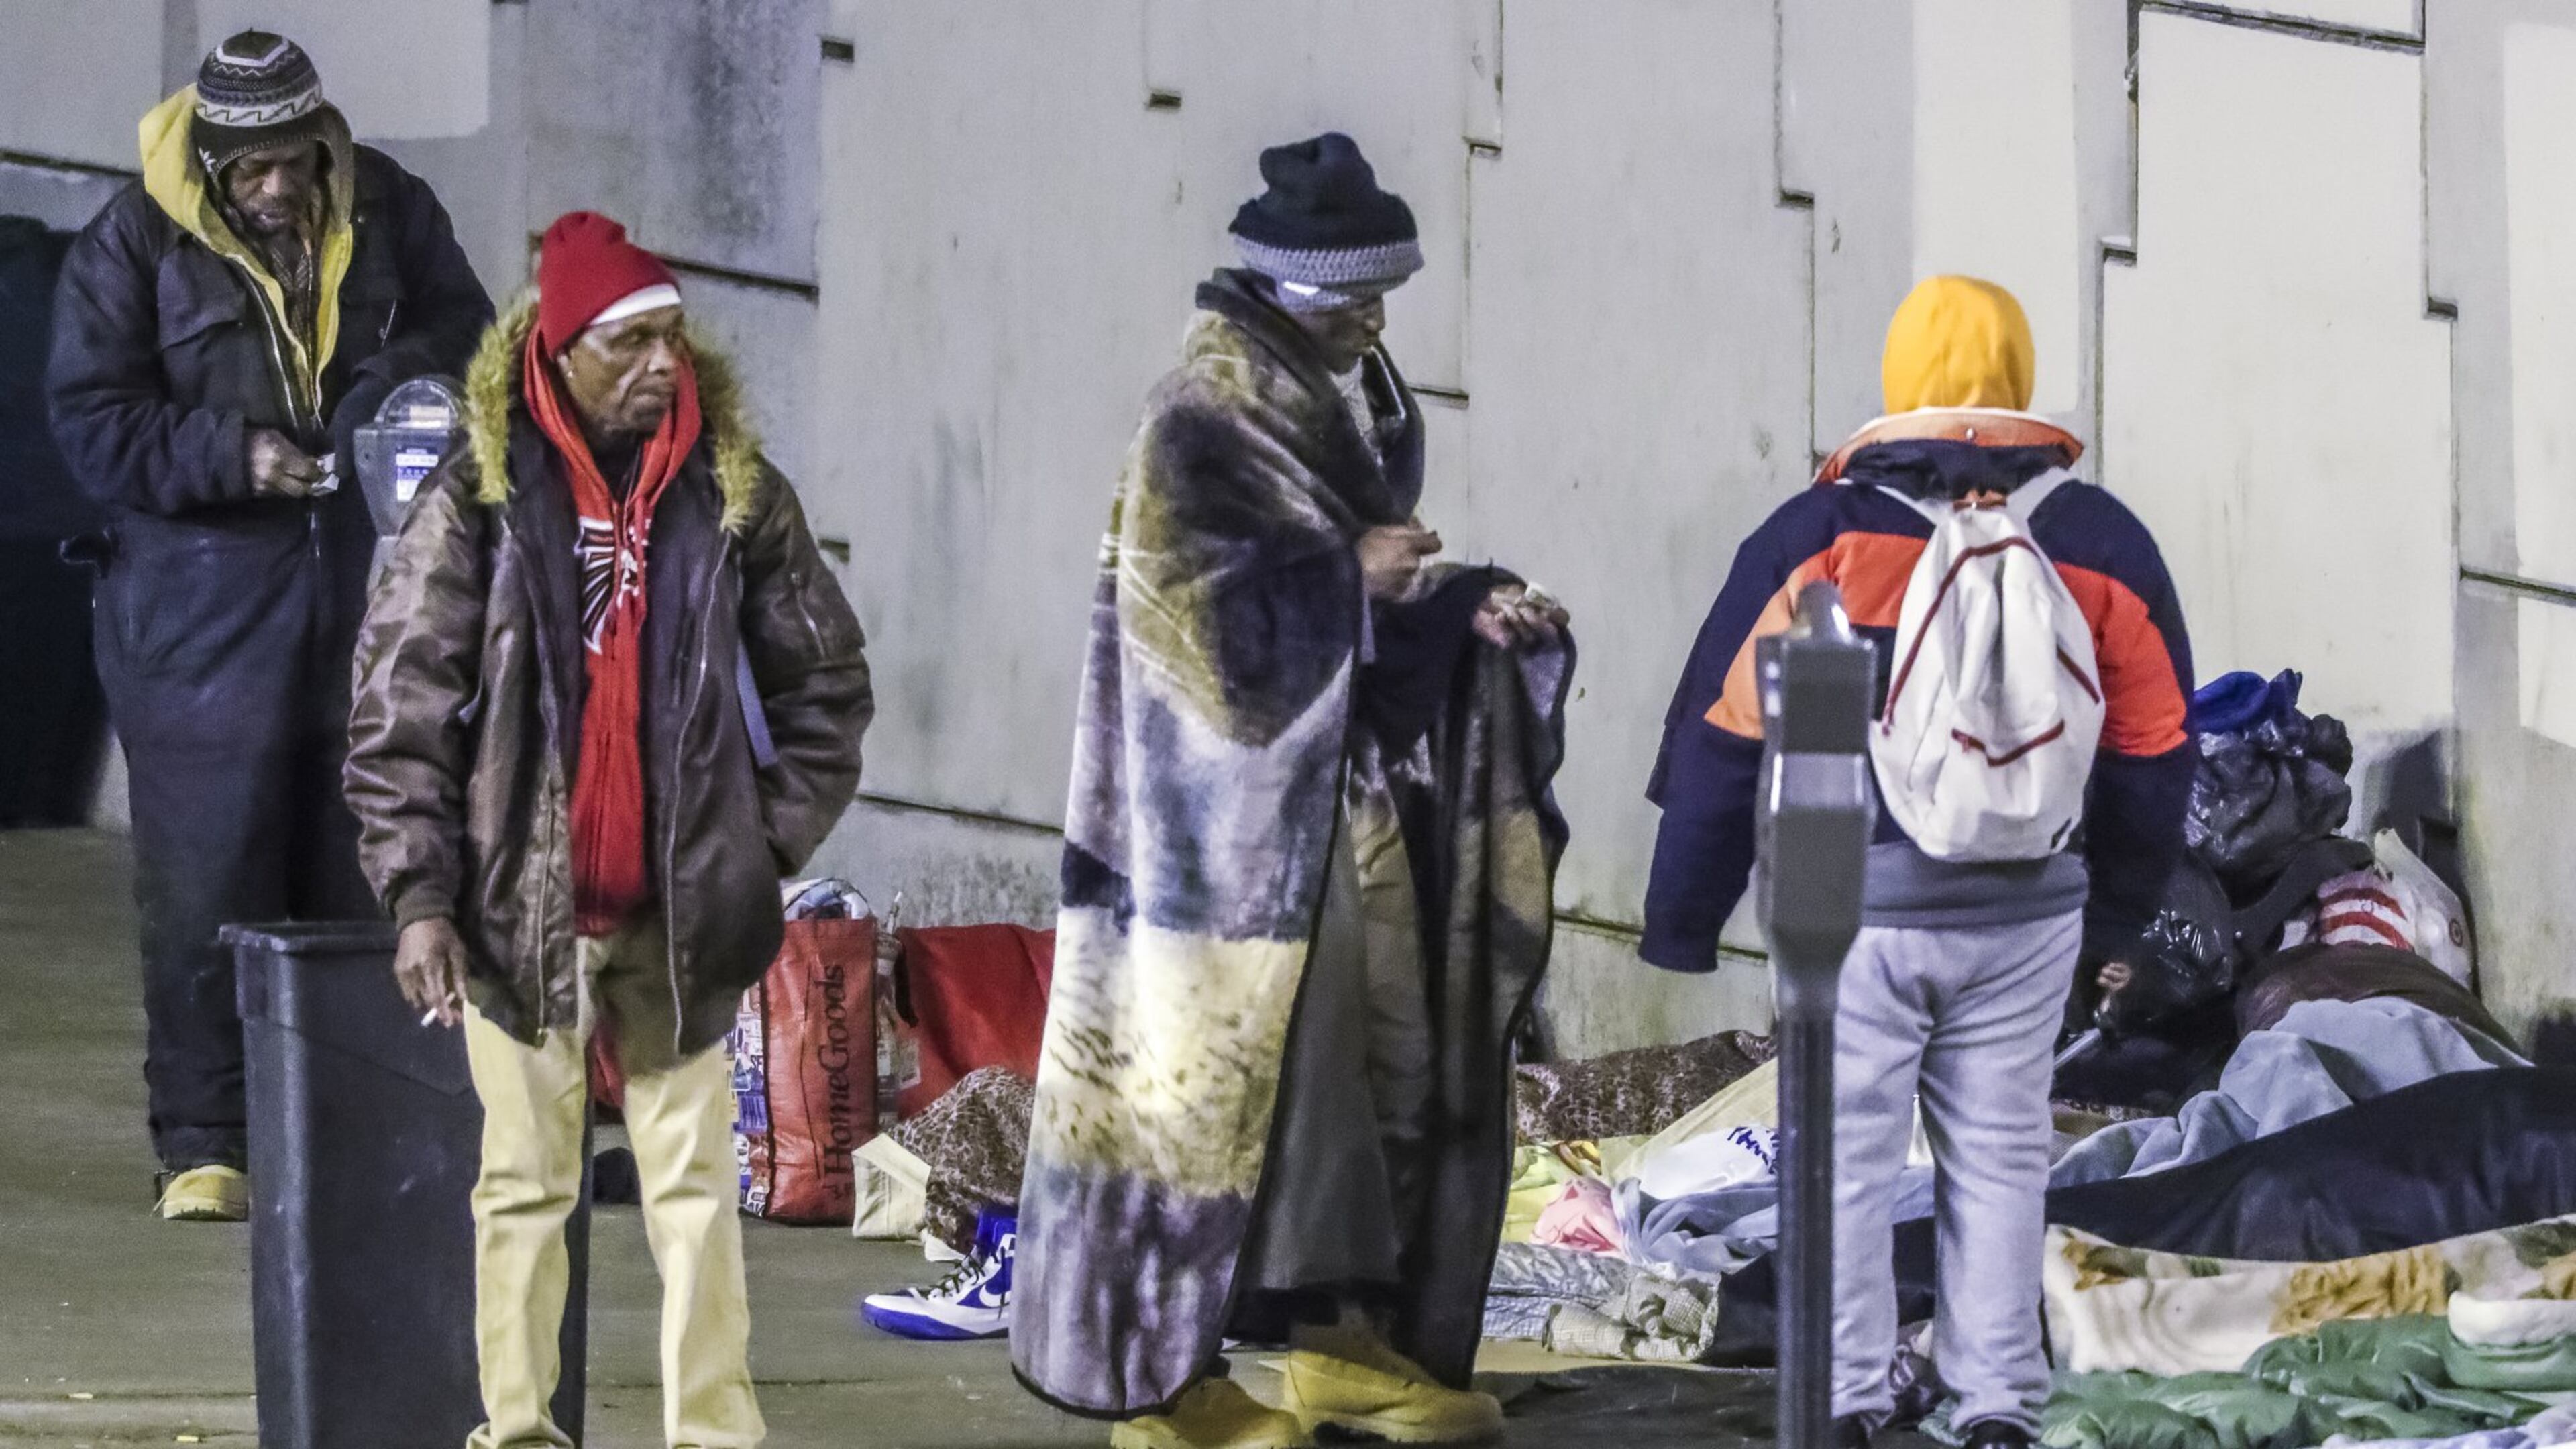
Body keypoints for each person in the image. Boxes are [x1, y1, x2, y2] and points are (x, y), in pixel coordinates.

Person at [1012, 133, 1576, 1449]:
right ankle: (1164, 1382)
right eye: (1354, 293)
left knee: (1342, 1076)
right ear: (1285, 286)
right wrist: (1356, 577)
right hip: (1205, 840)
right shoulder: (1206, 411)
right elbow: (1187, 623)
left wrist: (1456, 607)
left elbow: (1329, 602)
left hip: (1312, 811)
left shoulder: (1339, 392)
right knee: (1205, 1102)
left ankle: (1336, 1343)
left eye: (1386, 291)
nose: (1378, 316)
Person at [343, 211, 873, 1449]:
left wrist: (767, 844)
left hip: (681, 913)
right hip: (514, 910)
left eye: (673, 341)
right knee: (523, 1188)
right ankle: (518, 1432)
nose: (660, 367)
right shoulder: (477, 494)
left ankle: (714, 1436)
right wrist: (418, 899)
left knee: (696, 1191)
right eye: (630, 344)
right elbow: (397, 708)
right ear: (563, 349)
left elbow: (827, 684)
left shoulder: (733, 490)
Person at [1640, 276, 2195, 1447]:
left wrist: (1682, 920)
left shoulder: (1822, 539)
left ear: (1899, 383)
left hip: (1856, 910)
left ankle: (1843, 1401)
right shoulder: (2100, 542)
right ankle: (1995, 1403)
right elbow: (2154, 750)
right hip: (2031, 910)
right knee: (2000, 1158)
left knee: (1842, 1161)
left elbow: (1725, 734)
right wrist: (2119, 921)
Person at [46, 29, 492, 1221]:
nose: (278, 189)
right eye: (250, 170)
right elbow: (91, 424)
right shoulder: (129, 242)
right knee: (209, 878)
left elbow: (472, 343)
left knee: (360, 865)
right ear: (210, 157)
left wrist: (373, 398)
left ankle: (350, 1129)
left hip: (361, 585)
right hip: (195, 609)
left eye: (294, 162)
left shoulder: (394, 207)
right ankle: (207, 1145)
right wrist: (232, 455)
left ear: (319, 141)